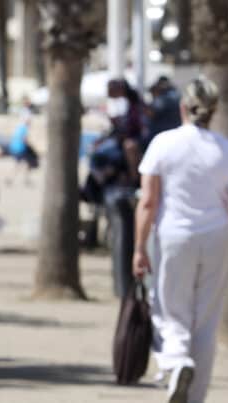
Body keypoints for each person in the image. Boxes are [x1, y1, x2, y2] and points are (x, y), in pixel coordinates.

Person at [132, 76, 228, 403]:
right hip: (217, 236)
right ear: (214, 111)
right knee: (206, 318)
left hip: (174, 236)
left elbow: (148, 202)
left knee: (169, 307)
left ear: (184, 106)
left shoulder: (163, 144)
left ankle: (177, 362)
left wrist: (139, 247)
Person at [104, 78, 147, 299]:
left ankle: (133, 176)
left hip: (134, 142)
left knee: (129, 148)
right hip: (126, 139)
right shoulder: (128, 104)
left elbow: (135, 131)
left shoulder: (135, 104)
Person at [6, 100, 38, 186]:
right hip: (20, 148)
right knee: (27, 163)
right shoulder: (24, 127)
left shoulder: (19, 127)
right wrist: (31, 146)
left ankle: (12, 178)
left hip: (15, 147)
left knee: (19, 164)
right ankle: (25, 179)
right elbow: (24, 139)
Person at [147, 76, 182, 142]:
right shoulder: (177, 95)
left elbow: (151, 113)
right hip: (176, 132)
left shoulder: (163, 98)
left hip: (161, 134)